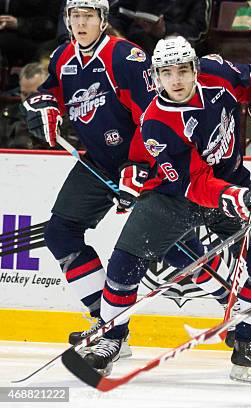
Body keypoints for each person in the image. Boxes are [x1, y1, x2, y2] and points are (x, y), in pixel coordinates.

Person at [80, 36, 251, 384]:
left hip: (232, 184)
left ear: (195, 68)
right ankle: (111, 339)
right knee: (125, 263)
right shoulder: (157, 124)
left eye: (182, 70)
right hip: (175, 196)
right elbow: (193, 184)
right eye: (166, 73)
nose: (175, 80)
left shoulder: (216, 71)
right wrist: (233, 197)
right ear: (156, 77)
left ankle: (248, 344)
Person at [22, 0, 157, 356]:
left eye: (89, 16)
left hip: (147, 161)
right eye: (75, 16)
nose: (81, 23)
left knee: (176, 251)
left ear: (103, 20)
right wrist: (44, 106)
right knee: (59, 233)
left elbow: (156, 117)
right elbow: (51, 92)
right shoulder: (63, 57)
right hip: (97, 163)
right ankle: (110, 325)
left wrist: (140, 166)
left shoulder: (126, 57)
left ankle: (238, 316)